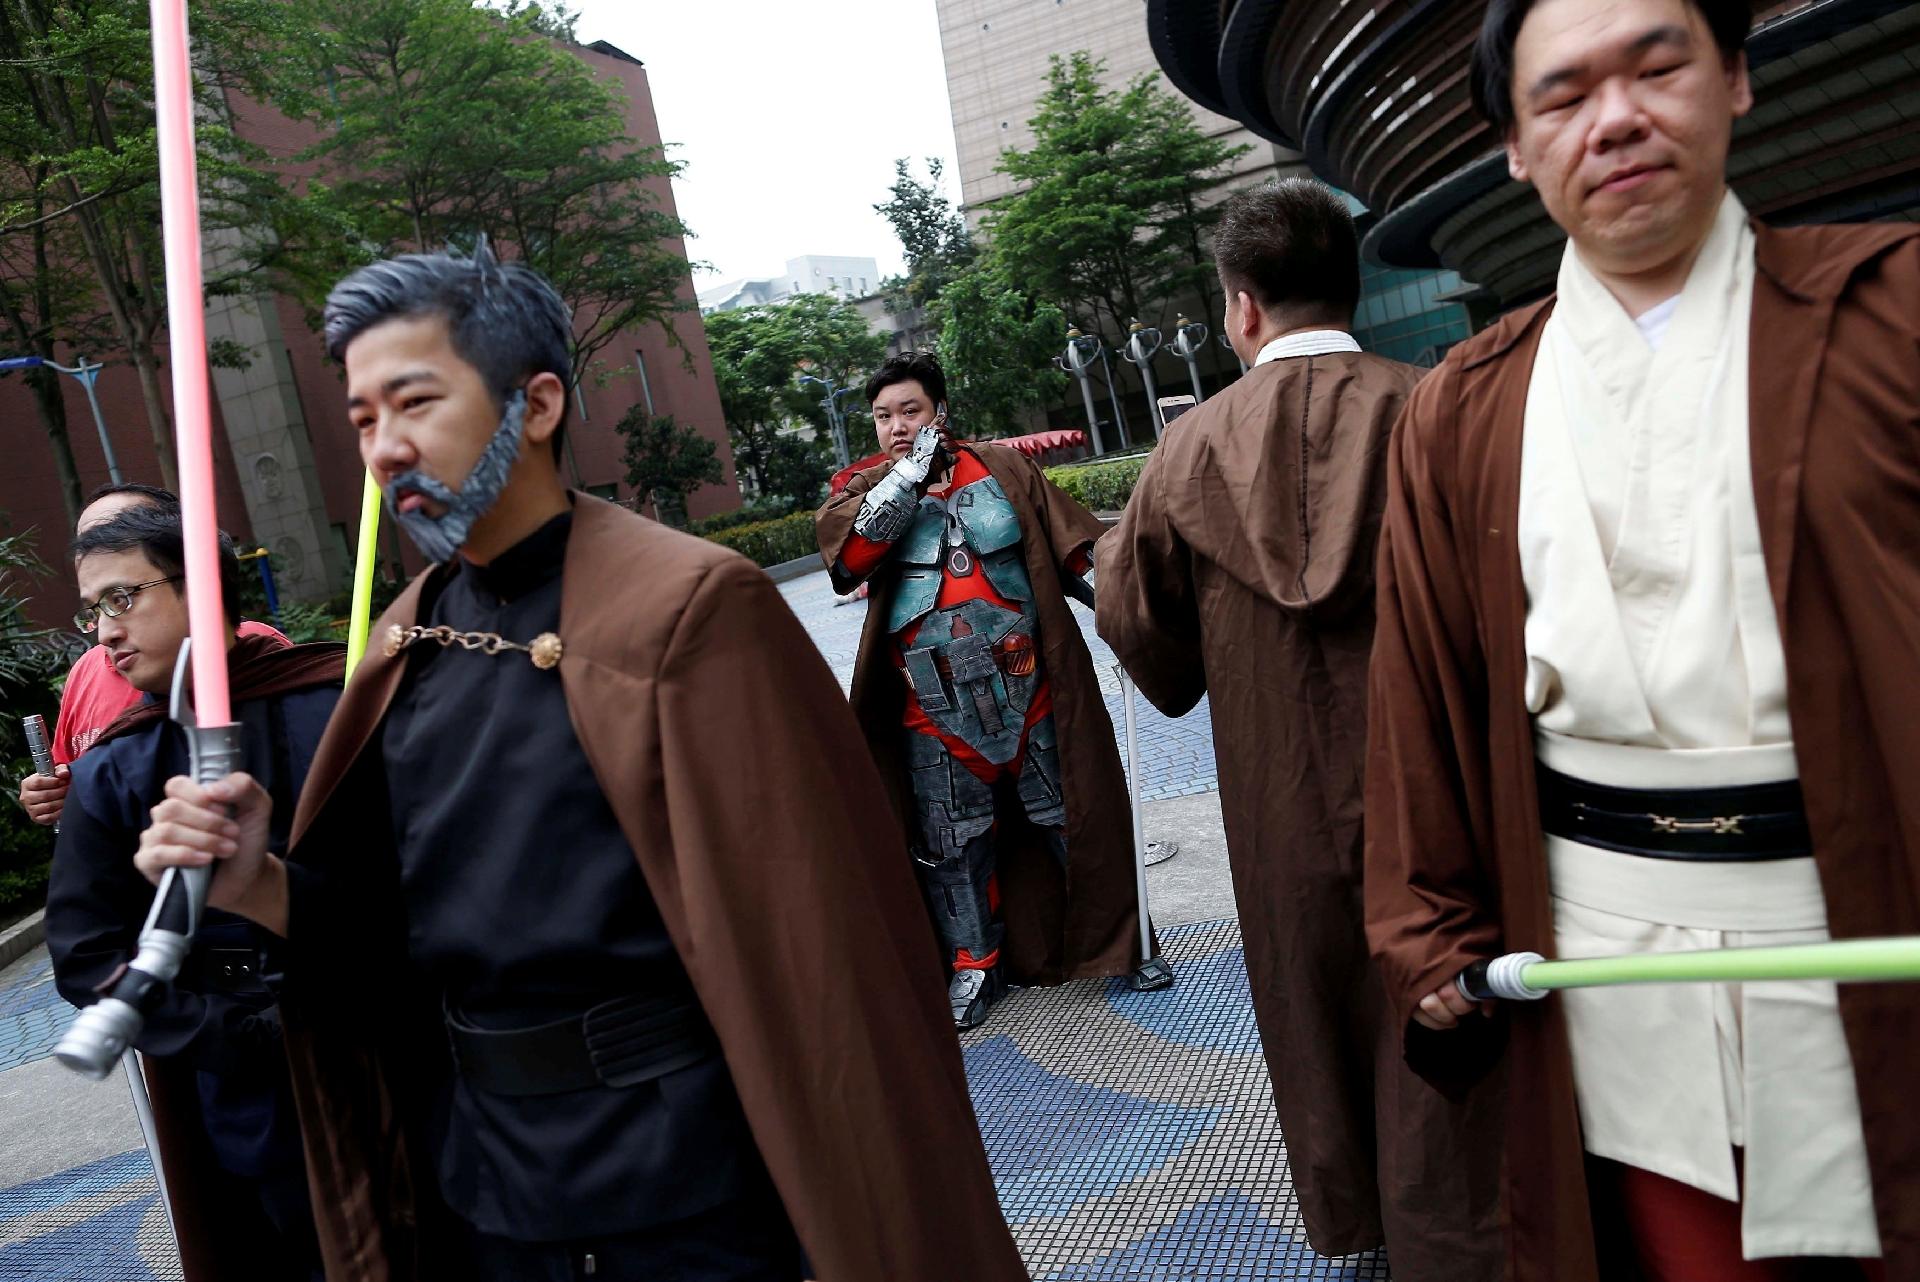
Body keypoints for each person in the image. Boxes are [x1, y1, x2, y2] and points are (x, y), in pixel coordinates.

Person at [132, 245, 1026, 1282]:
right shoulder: (407, 644)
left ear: (539, 401)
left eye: (414, 402)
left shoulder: (691, 608)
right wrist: (262, 883)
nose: (383, 448)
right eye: (363, 418)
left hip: (694, 1187)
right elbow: (395, 940)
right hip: (492, 1186)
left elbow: (820, 948)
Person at [1364, 0, 1918, 1277]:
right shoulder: (1461, 407)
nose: (1615, 118)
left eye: (1657, 65)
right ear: (1512, 144)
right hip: (1604, 956)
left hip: (1871, 910)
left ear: (1735, 80)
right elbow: (1420, 699)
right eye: (1562, 96)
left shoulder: (1893, 315)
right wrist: (1427, 928)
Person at [1095, 178, 1502, 1279]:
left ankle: (1355, 1217)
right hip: (1440, 783)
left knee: (1311, 995)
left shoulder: (1185, 455)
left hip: (1276, 790)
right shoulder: (1437, 404)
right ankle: (1459, 1229)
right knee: (1444, 987)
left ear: (1239, 309)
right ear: (1352, 285)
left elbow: (1142, 626)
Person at [45, 504, 341, 1281]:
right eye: (91, 611)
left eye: (122, 598)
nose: (105, 632)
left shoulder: (340, 708)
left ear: (203, 590)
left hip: (386, 1053)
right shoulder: (114, 769)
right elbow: (85, 956)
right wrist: (225, 1037)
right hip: (246, 1100)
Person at [815, 351, 1151, 1029]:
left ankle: (1126, 943)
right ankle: (975, 963)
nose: (896, 426)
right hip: (929, 705)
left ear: (939, 409)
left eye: (910, 411)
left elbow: (1075, 551)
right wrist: (906, 478)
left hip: (1028, 687)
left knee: (1070, 817)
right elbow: (849, 561)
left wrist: (1130, 613)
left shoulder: (1002, 469)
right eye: (883, 416)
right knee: (952, 842)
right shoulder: (860, 492)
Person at [18, 482, 287, 829]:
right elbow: (70, 777)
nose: (103, 548)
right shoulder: (84, 672)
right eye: (89, 540)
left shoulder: (254, 648)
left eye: (119, 530)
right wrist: (54, 796)